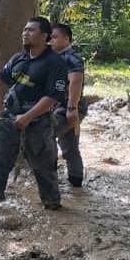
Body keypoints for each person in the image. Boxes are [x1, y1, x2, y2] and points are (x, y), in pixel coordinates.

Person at [0, 16, 68, 210]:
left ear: (45, 36)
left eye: (31, 30)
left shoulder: (55, 63)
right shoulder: (20, 58)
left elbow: (52, 97)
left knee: (43, 164)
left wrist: (28, 117)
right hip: (10, 115)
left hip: (38, 120)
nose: (25, 33)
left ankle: (51, 202)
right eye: (25, 30)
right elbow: (1, 77)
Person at [50, 22, 86, 187]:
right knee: (69, 144)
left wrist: (72, 108)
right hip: (60, 107)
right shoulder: (53, 57)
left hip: (67, 107)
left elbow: (75, 81)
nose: (52, 40)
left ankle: (48, 178)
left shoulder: (71, 57)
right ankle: (76, 181)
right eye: (50, 37)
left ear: (66, 38)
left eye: (55, 37)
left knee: (45, 136)